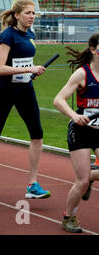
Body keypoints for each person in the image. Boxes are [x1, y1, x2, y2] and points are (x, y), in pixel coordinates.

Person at [0, 0, 51, 199]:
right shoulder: (8, 35)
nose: (32, 17)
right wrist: (28, 68)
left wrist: (31, 72)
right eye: (28, 13)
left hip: (25, 89)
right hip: (5, 91)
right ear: (17, 15)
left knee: (37, 134)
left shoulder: (30, 34)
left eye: (34, 13)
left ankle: (32, 184)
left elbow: (24, 60)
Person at [53, 33, 99, 233]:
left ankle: (91, 176)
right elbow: (59, 99)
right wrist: (74, 115)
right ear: (93, 50)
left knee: (87, 176)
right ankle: (69, 216)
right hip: (81, 130)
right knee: (80, 181)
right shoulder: (82, 74)